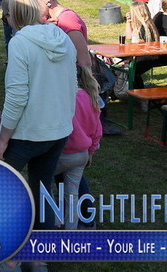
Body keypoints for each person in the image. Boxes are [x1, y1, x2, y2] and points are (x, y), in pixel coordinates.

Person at [0, 0, 77, 236]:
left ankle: (1, 246)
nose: (6, 21)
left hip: (28, 135)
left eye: (5, 16)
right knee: (42, 190)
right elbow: (73, 85)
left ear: (14, 13)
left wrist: (2, 138)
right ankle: (42, 251)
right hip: (58, 132)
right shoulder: (63, 37)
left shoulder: (19, 43)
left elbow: (17, 97)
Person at [53, 65, 102, 230]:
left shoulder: (62, 97)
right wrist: (91, 153)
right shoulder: (91, 97)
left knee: (42, 182)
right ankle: (71, 230)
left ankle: (55, 221)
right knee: (72, 195)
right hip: (81, 155)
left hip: (62, 154)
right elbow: (97, 131)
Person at [125, 1, 167, 88]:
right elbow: (128, 36)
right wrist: (128, 22)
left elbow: (141, 45)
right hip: (145, 54)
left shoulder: (145, 27)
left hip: (150, 56)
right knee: (129, 70)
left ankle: (139, 93)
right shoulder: (141, 24)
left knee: (133, 71)